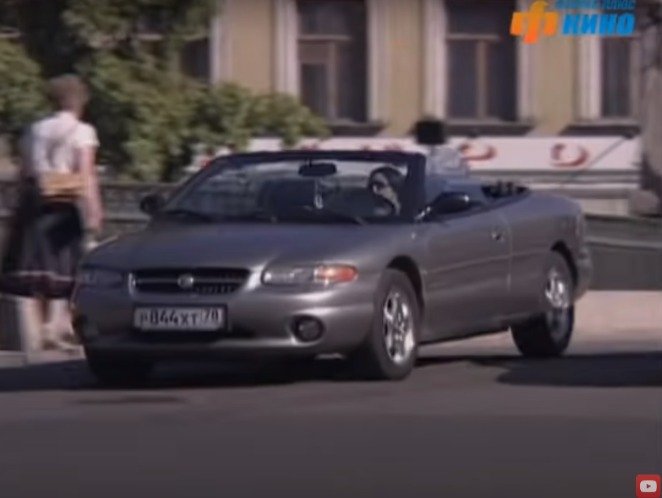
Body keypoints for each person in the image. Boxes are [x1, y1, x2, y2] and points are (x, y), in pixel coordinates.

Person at [0, 74, 103, 351]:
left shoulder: (34, 129)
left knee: (34, 266)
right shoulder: (83, 132)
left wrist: (16, 205)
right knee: (64, 265)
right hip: (63, 201)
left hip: (33, 199)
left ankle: (42, 327)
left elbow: (23, 173)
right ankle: (54, 326)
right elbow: (85, 173)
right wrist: (94, 208)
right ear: (78, 101)